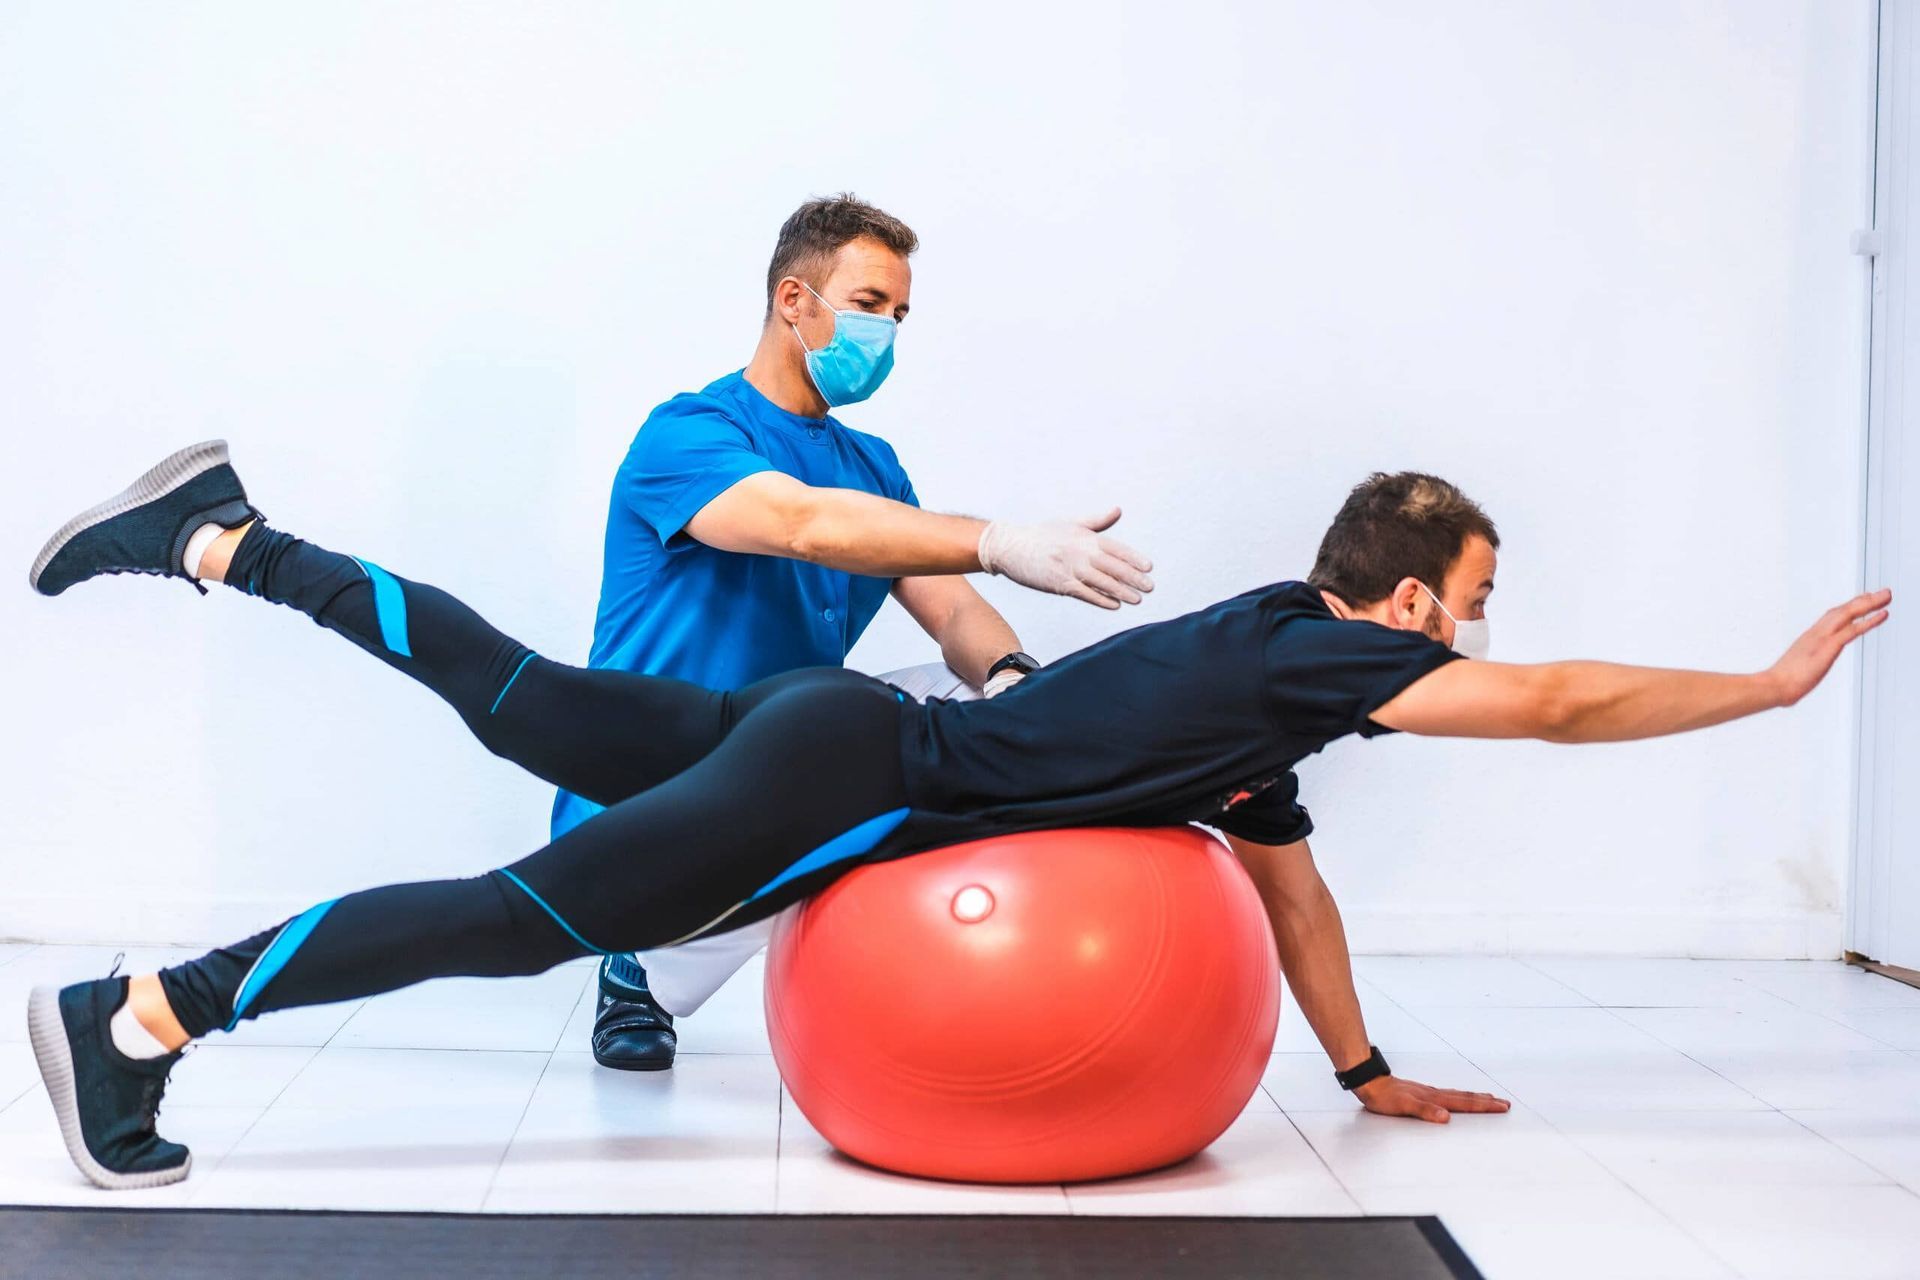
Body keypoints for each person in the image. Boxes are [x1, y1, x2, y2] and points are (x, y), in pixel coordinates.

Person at [25, 444, 1887, 1190]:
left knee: (518, 697)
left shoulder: (1264, 666)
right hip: (853, 775)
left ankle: (215, 531)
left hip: (827, 718)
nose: (1480, 629)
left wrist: (1365, 1063)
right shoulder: (1325, 656)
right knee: (530, 916)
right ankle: (143, 1016)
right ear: (1401, 605)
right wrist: (1765, 687)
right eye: (1468, 598)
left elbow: (1291, 892)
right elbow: (1556, 708)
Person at [554, 194, 1151, 1071]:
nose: (888, 333)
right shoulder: (688, 433)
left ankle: (964, 960)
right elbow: (803, 525)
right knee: (829, 763)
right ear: (795, 300)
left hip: (781, 757)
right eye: (870, 306)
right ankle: (636, 968)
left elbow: (947, 606)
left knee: (972, 709)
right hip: (653, 792)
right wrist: (1000, 541)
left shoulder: (872, 467)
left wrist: (1016, 682)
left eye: (901, 315)